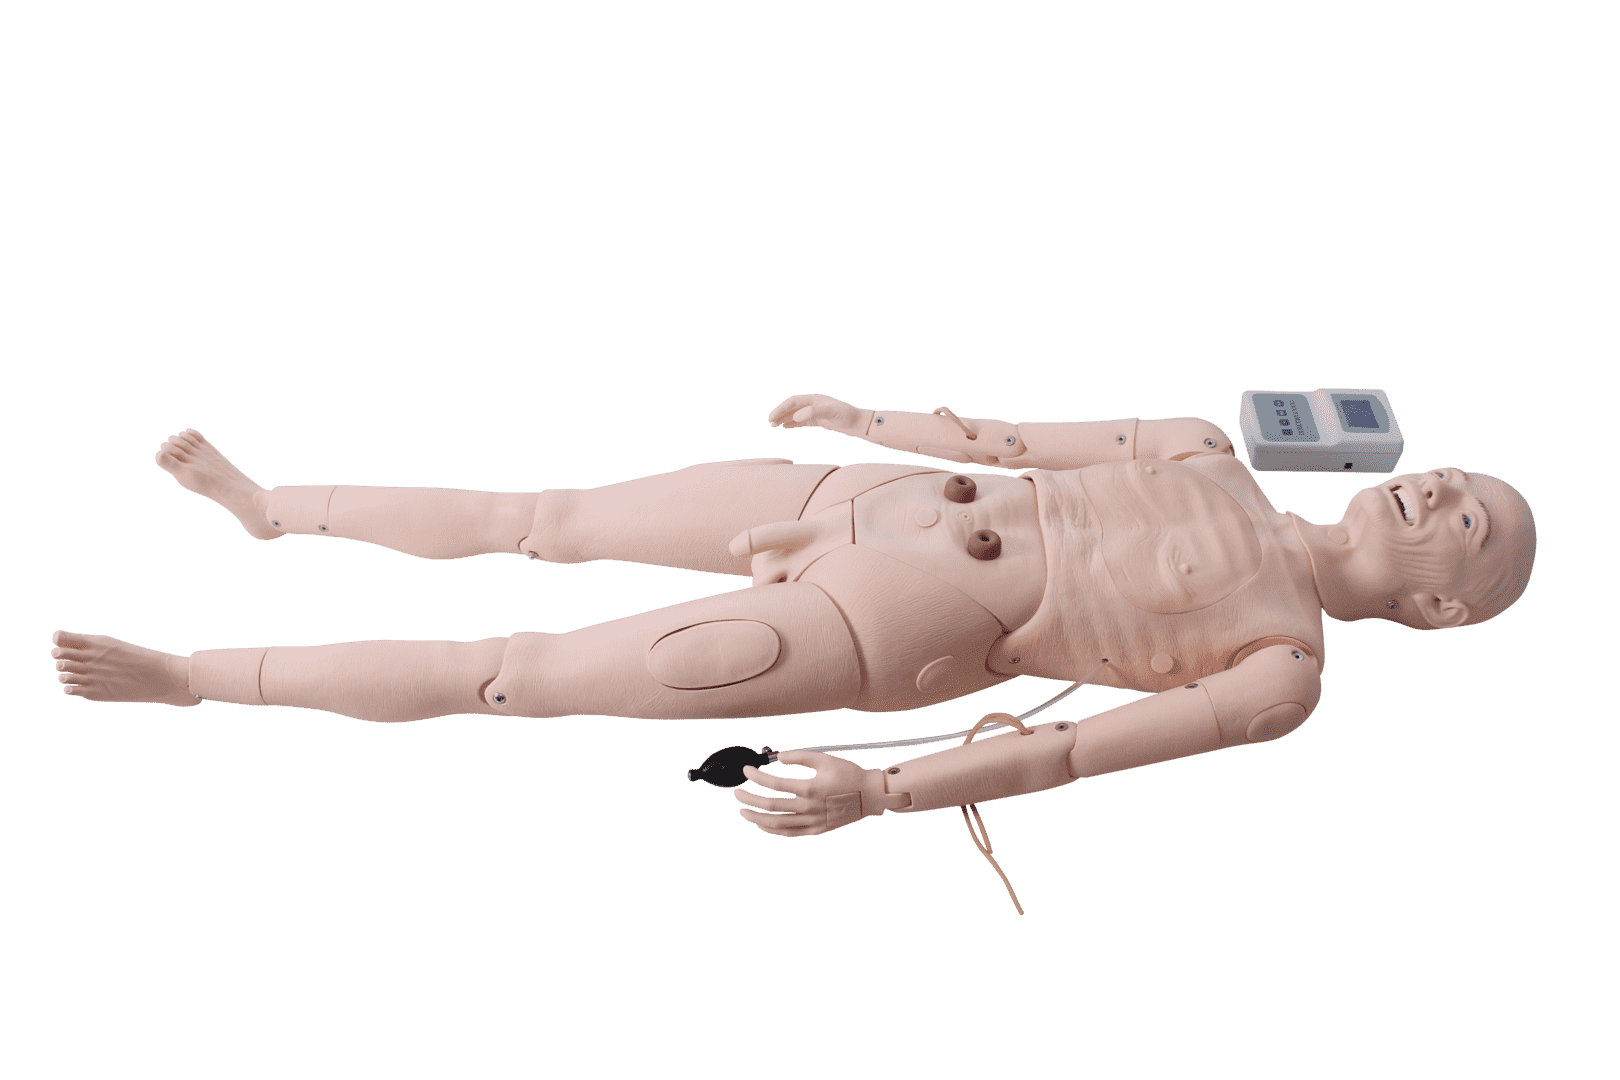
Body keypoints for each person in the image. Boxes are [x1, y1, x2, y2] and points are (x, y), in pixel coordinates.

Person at [49, 393, 1536, 841]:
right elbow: (1013, 440)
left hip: (905, 626)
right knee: (544, 517)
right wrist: (874, 421)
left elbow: (1069, 757)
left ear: (1445, 609)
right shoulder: (1208, 445)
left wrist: (887, 792)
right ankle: (276, 509)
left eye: (1470, 521)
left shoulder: (1281, 672)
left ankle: (193, 677)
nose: (1442, 488)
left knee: (516, 674)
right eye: (1458, 478)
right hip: (863, 495)